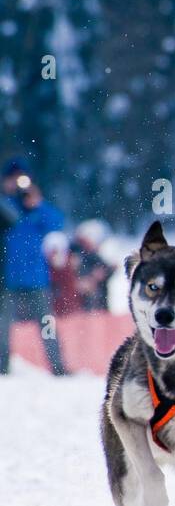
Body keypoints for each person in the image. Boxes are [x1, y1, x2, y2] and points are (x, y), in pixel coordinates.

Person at [0, 158, 68, 375]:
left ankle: (58, 367)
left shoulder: (35, 208)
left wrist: (38, 203)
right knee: (3, 328)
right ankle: (2, 368)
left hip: (36, 278)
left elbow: (57, 222)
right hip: (7, 279)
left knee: (47, 325)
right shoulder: (5, 207)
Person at [72, 219, 113, 311]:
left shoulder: (95, 256)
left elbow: (105, 270)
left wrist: (105, 272)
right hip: (81, 306)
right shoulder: (76, 254)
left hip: (99, 304)